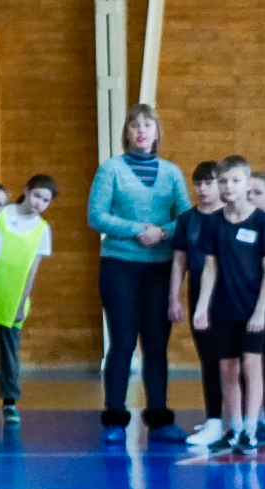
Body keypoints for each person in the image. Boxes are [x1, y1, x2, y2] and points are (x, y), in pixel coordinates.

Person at [89, 103, 191, 442]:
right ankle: (115, 418)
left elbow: (187, 218)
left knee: (156, 345)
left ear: (157, 133)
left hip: (160, 270)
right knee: (121, 343)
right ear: (127, 133)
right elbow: (97, 216)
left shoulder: (172, 172)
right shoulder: (111, 170)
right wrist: (137, 229)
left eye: (148, 124)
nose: (141, 130)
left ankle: (159, 418)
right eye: (135, 125)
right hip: (120, 267)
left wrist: (161, 233)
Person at [192, 156, 265, 454]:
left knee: (251, 365)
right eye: (224, 181)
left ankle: (252, 430)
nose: (229, 187)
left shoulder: (262, 222)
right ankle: (236, 428)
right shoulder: (213, 223)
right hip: (224, 308)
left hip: (252, 309)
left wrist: (260, 310)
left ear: (246, 184)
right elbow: (209, 268)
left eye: (235, 181)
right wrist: (202, 306)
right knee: (227, 368)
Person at [0, 175, 55, 425]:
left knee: (9, 353)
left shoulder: (42, 229)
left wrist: (20, 303)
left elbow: (32, 271)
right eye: (37, 195)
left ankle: (9, 402)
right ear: (26, 191)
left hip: (12, 299)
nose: (39, 202)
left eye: (45, 200)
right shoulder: (1, 214)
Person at [171, 161, 228, 448]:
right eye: (199, 183)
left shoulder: (231, 216)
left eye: (209, 183)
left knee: (235, 358)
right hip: (198, 293)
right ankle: (214, 419)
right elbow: (180, 260)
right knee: (208, 358)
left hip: (230, 294)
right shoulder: (187, 220)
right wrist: (174, 297)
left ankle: (244, 420)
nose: (203, 189)